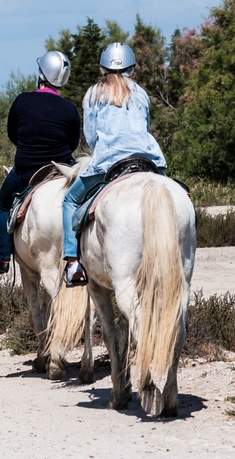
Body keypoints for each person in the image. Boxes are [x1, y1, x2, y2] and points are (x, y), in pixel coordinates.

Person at [61, 43, 167, 287]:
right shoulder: (141, 93)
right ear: (131, 67)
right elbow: (146, 127)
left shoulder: (93, 93)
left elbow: (90, 136)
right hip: (150, 160)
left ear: (102, 67)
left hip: (110, 163)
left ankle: (73, 263)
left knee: (70, 201)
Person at [0, 51, 81, 274]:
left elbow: (13, 134)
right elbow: (73, 142)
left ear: (42, 74)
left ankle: (2, 256)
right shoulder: (70, 109)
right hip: (60, 169)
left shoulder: (22, 100)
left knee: (0, 206)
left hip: (26, 171)